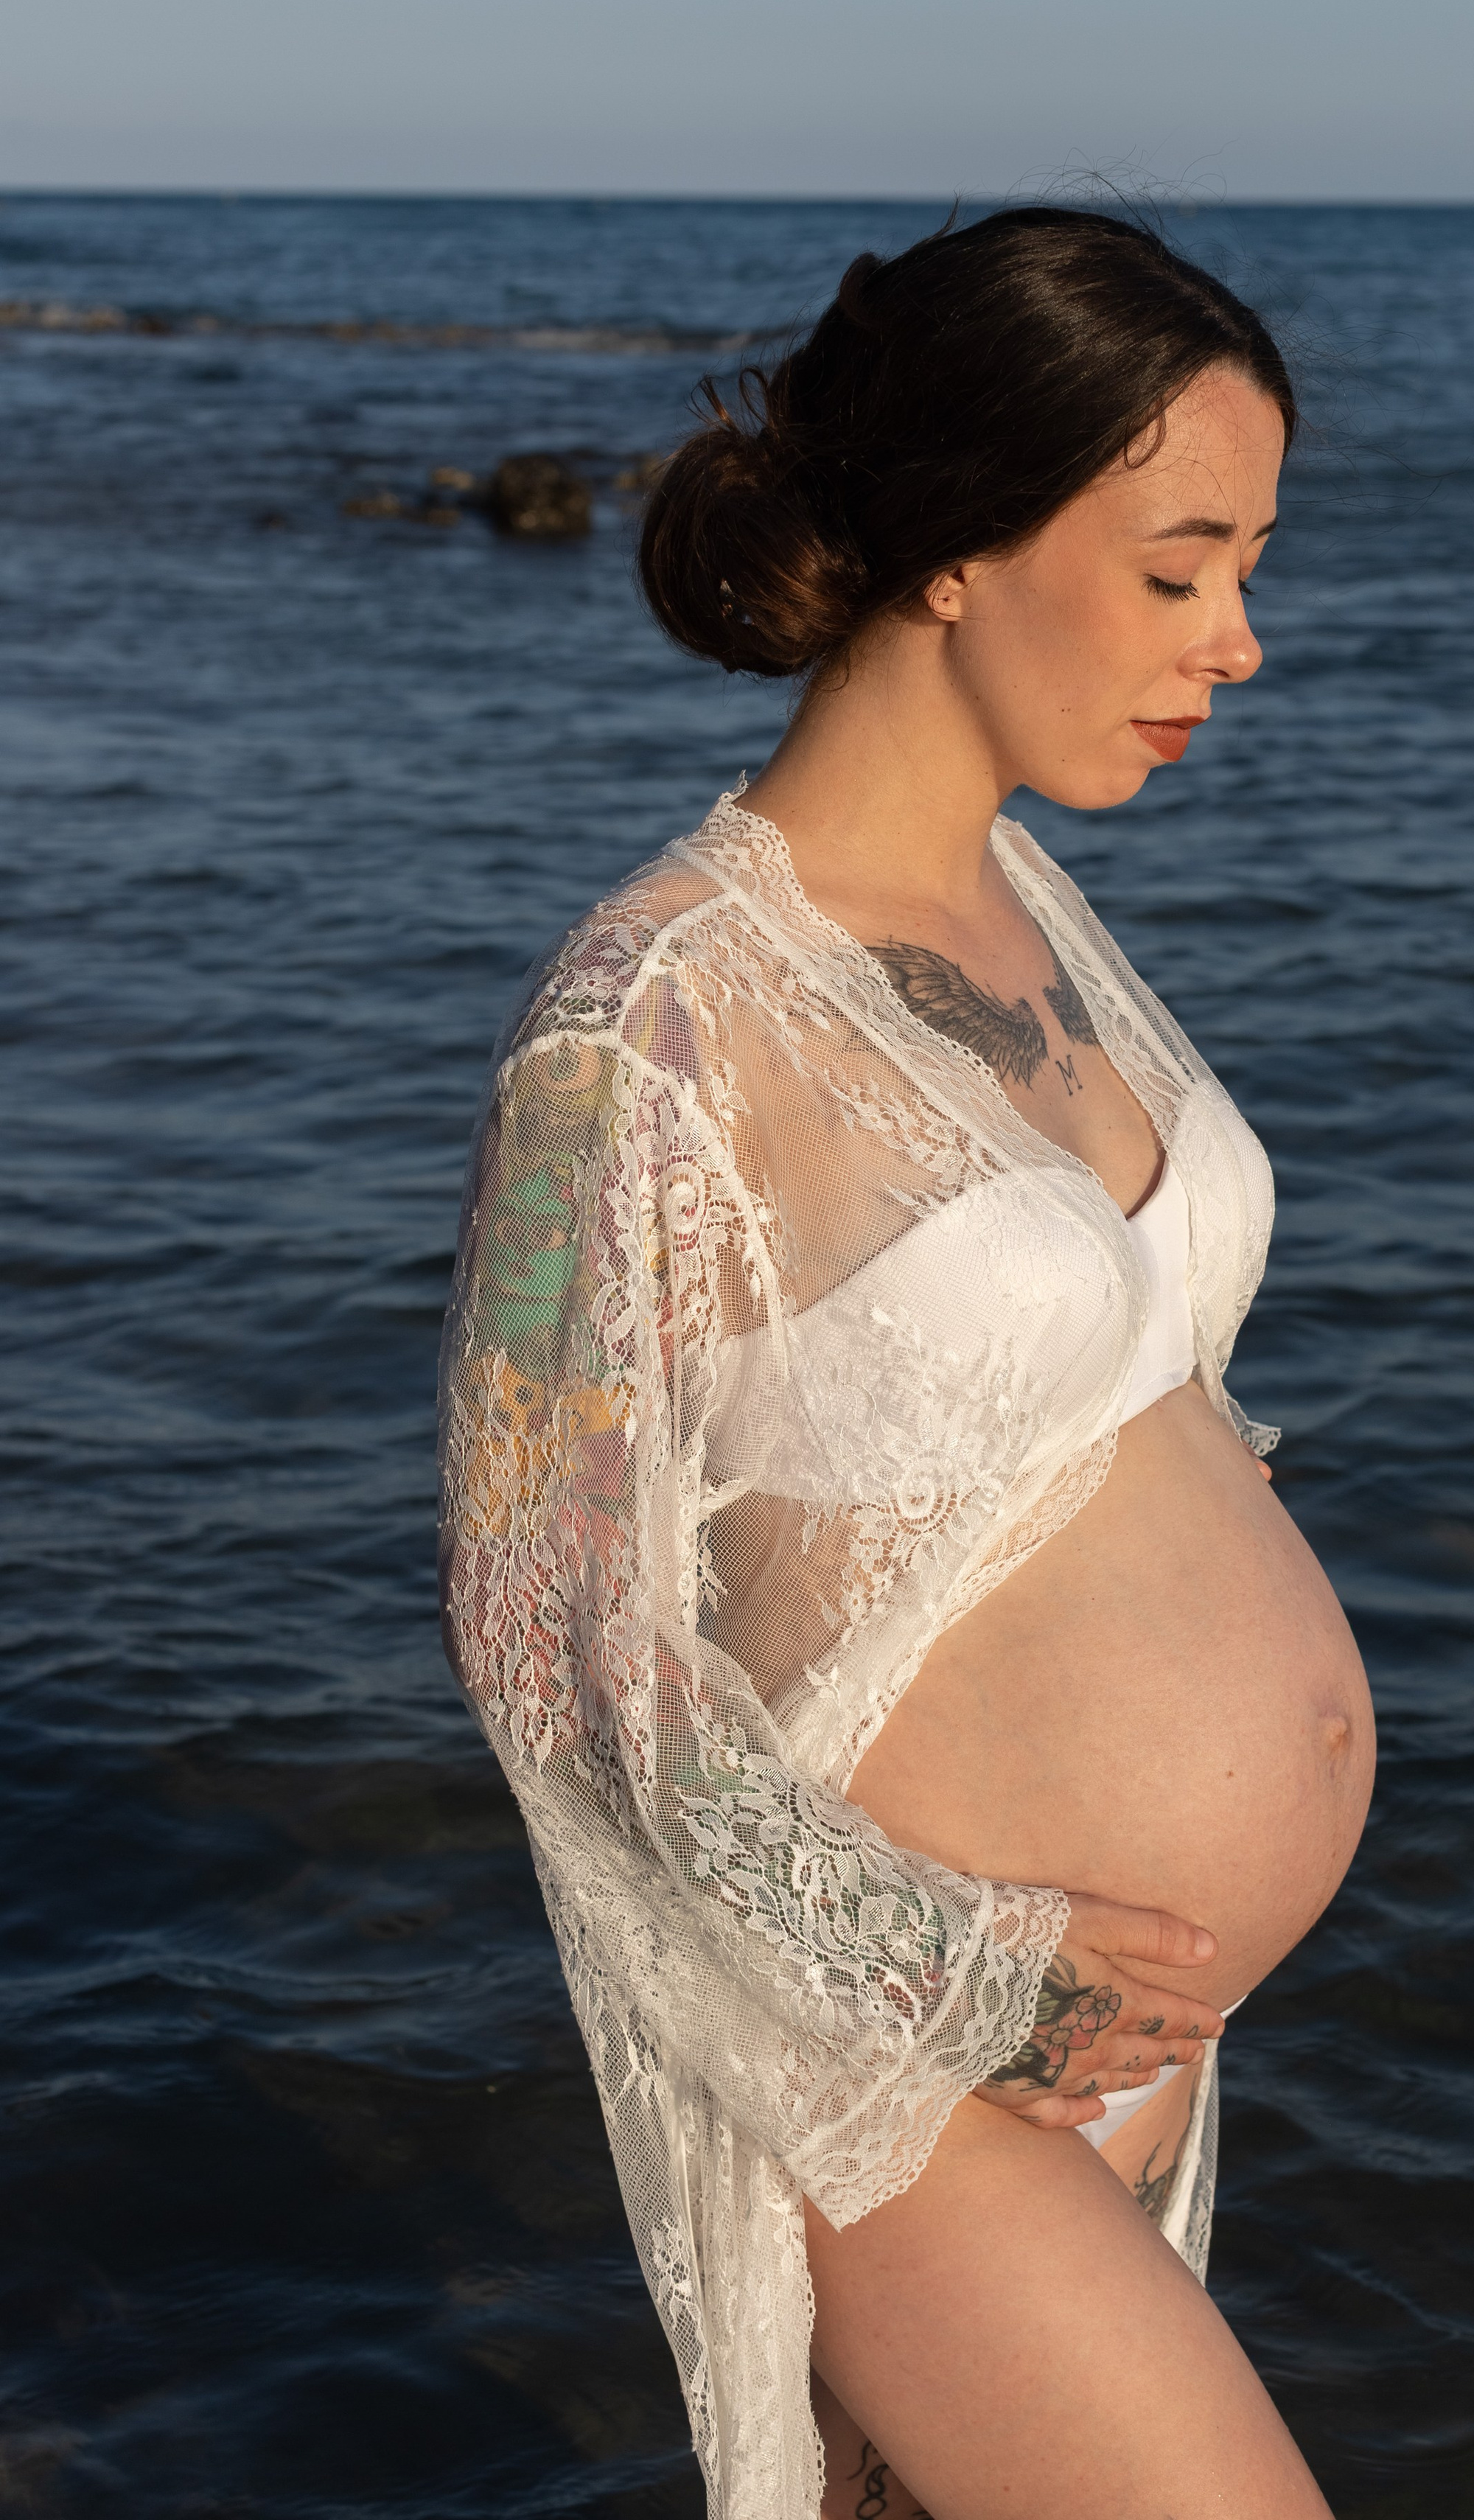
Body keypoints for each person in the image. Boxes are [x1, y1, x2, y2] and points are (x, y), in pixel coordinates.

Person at [439, 206, 1375, 2520]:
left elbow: (1081, 1398)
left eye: (1247, 570)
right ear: (960, 543)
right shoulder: (647, 1020)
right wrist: (964, 1976)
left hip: (1107, 2046)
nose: (1239, 645)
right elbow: (552, 1644)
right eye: (1179, 573)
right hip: (908, 2073)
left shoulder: (1026, 895)